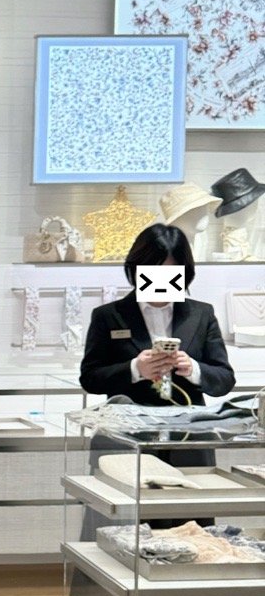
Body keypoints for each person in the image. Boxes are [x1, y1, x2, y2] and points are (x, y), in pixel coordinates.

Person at [77, 222, 235, 540]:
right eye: (153, 271)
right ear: (136, 270)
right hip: (125, 441)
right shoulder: (109, 316)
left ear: (184, 273)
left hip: (188, 443)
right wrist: (135, 368)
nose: (162, 280)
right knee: (121, 533)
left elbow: (223, 379)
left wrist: (193, 369)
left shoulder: (201, 315)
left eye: (171, 272)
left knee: (190, 534)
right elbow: (90, 378)